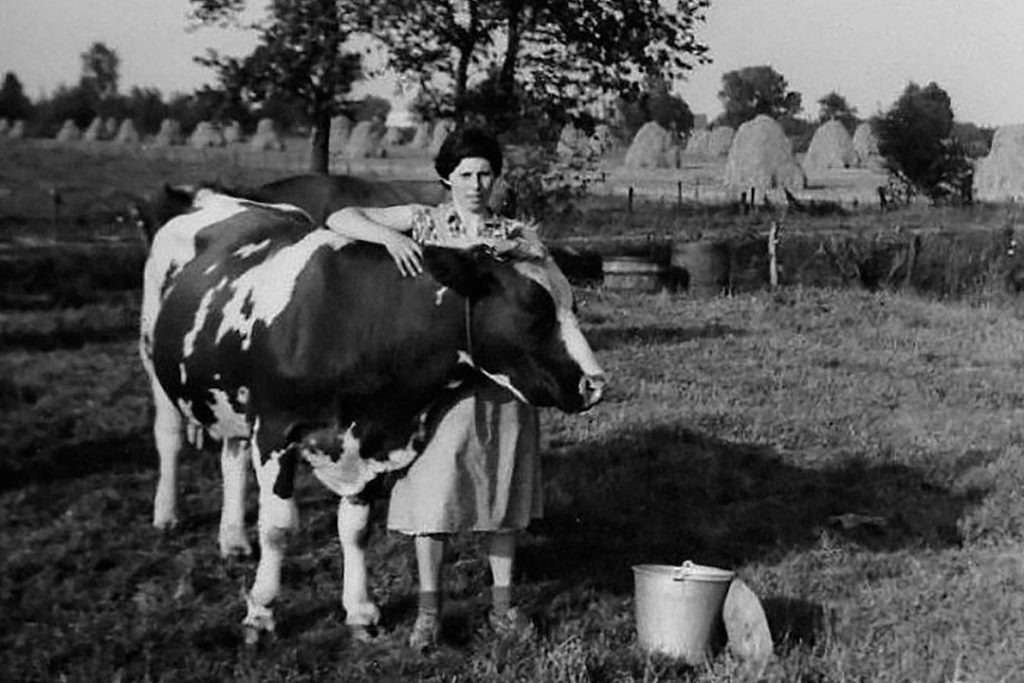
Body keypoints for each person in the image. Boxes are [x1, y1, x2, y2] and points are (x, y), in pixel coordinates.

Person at [325, 128, 545, 650]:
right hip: (439, 387)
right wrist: (393, 238)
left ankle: (503, 608)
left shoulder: (514, 234)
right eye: (465, 174)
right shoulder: (425, 220)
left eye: (485, 173)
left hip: (503, 383)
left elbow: (545, 299)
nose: (475, 184)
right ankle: (429, 612)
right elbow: (339, 218)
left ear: (497, 177)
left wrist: (525, 257)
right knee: (435, 493)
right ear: (446, 177)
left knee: (502, 490)